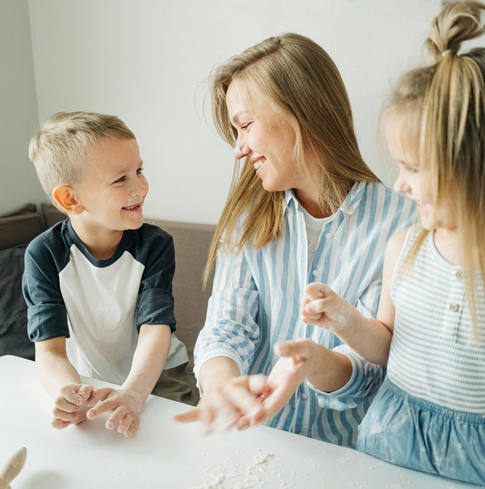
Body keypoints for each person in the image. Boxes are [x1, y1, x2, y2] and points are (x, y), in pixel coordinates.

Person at [264, 2, 485, 484]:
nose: (399, 185)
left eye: (413, 168)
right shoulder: (404, 246)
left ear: (472, 168)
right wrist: (344, 318)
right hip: (389, 441)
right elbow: (386, 346)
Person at [174, 33, 416, 447]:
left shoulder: (402, 222)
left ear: (304, 113)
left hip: (346, 455)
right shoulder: (247, 217)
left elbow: (373, 366)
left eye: (245, 125)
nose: (239, 148)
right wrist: (219, 384)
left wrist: (314, 364)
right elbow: (227, 324)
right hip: (253, 441)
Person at [23, 111, 196, 437]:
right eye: (121, 179)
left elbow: (155, 330)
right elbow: (49, 351)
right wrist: (67, 392)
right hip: (88, 378)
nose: (140, 186)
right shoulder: (43, 255)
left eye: (139, 170)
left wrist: (133, 392)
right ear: (69, 198)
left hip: (157, 374)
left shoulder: (155, 245)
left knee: (179, 442)